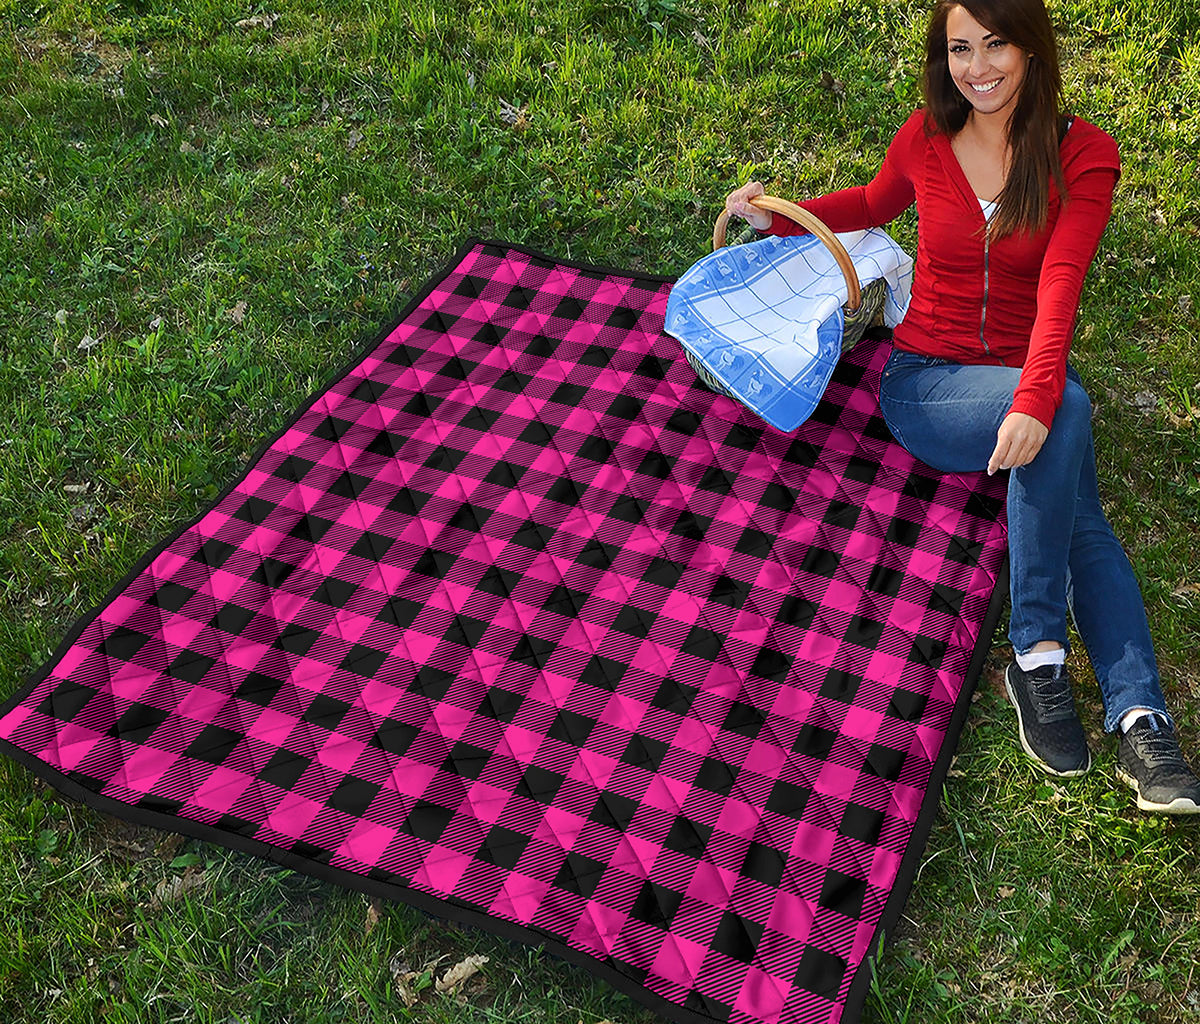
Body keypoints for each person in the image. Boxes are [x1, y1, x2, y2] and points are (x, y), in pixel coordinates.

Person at [724, 0, 1200, 814]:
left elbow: (1061, 284)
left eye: (996, 44)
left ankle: (1135, 714)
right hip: (926, 382)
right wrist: (779, 221)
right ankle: (1043, 654)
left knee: (1073, 472)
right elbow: (872, 205)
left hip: (1020, 376)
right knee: (1070, 421)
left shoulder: (1083, 155)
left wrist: (1036, 396)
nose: (977, 67)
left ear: (1032, 48)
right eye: (959, 49)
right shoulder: (926, 137)